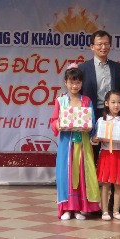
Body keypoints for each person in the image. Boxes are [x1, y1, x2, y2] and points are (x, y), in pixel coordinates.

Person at [79, 30, 120, 215]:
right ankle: (93, 204)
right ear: (92, 47)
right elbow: (79, 93)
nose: (103, 47)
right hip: (93, 117)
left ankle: (116, 204)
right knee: (93, 160)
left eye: (106, 44)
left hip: (114, 116)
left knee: (116, 158)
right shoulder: (84, 68)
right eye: (99, 44)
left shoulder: (116, 67)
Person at [49, 64, 100, 220]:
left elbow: (92, 121)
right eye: (71, 82)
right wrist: (58, 124)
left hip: (83, 144)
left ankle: (78, 209)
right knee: (66, 175)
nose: (74, 86)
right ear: (66, 82)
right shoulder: (61, 100)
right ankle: (67, 208)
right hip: (67, 144)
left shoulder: (86, 101)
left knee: (82, 174)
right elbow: (53, 120)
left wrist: (90, 127)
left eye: (78, 82)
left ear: (82, 83)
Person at [92, 90, 120, 220]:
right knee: (105, 183)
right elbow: (93, 140)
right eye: (113, 102)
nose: (116, 105)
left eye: (119, 102)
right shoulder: (101, 120)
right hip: (107, 154)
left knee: (118, 184)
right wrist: (97, 138)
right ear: (106, 103)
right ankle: (104, 211)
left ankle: (116, 211)